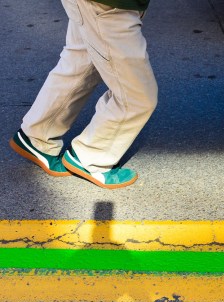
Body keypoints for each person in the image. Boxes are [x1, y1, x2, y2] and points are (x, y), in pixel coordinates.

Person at [9, 0, 157, 189]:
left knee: (83, 62)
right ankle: (91, 156)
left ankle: (37, 135)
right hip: (107, 6)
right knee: (137, 96)